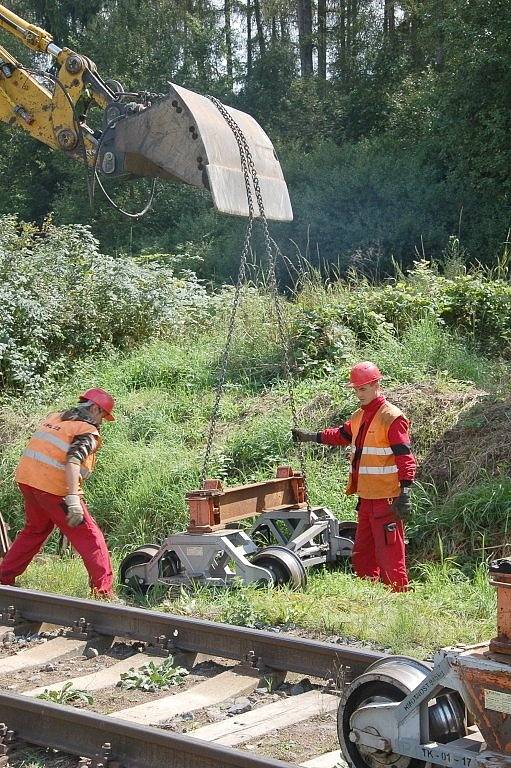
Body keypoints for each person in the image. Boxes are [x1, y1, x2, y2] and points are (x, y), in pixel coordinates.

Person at [292, 362, 415, 592]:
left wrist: (405, 492)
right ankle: (369, 594)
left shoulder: (392, 417)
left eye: (363, 389)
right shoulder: (360, 416)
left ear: (376, 385)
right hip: (366, 498)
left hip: (387, 499)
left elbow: (405, 457)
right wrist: (311, 437)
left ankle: (399, 595)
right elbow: (340, 435)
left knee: (390, 552)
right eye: (356, 390)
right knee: (362, 554)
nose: (359, 395)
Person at [0, 388, 115, 597]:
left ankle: (3, 579)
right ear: (96, 408)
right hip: (53, 488)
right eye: (103, 416)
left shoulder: (56, 418)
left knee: (35, 530)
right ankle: (103, 592)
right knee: (90, 537)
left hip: (27, 480)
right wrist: (72, 499)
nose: (102, 422)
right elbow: (73, 460)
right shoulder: (86, 429)